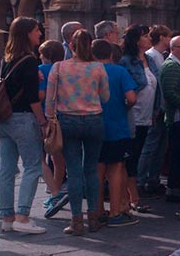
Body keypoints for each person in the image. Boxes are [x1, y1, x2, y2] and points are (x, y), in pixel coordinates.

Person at [46, 29, 110, 236]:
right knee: (91, 170)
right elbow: (106, 97)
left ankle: (76, 221)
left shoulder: (58, 67)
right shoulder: (98, 67)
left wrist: (48, 121)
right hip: (93, 119)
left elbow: (50, 100)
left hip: (68, 120)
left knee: (73, 171)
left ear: (70, 46)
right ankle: (93, 218)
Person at [0, 17, 46, 234]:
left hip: (4, 118)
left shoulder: (6, 59)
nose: (40, 34)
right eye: (37, 30)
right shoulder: (29, 61)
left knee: (7, 168)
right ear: (27, 33)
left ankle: (7, 216)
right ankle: (23, 216)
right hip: (23, 118)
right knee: (33, 166)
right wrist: (42, 121)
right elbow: (32, 98)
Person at [93, 40, 138, 228]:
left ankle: (96, 211)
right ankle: (115, 211)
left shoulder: (89, 72)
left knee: (97, 168)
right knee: (117, 168)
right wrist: (125, 107)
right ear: (111, 55)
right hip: (117, 126)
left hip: (94, 125)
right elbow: (131, 98)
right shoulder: (119, 72)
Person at [119, 25, 158, 213]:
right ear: (136, 40)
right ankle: (131, 197)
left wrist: (156, 110)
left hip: (146, 115)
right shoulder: (126, 61)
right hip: (132, 115)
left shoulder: (149, 60)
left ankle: (131, 196)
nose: (149, 38)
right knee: (130, 157)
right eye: (145, 35)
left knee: (137, 153)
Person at [137, 24, 171, 196]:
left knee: (159, 146)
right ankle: (140, 181)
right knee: (149, 146)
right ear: (162, 37)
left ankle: (153, 179)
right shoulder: (151, 56)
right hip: (152, 109)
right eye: (168, 36)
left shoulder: (157, 56)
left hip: (160, 108)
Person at [38, 40, 68, 219]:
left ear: (46, 55)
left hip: (44, 116)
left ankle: (53, 192)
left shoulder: (41, 70)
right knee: (58, 158)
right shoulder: (65, 68)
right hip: (62, 116)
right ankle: (55, 189)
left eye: (41, 53)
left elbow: (40, 95)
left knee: (39, 156)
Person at [159, 35, 180, 202]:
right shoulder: (171, 66)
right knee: (178, 155)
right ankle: (174, 190)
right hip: (177, 118)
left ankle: (177, 188)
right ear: (172, 49)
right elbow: (170, 94)